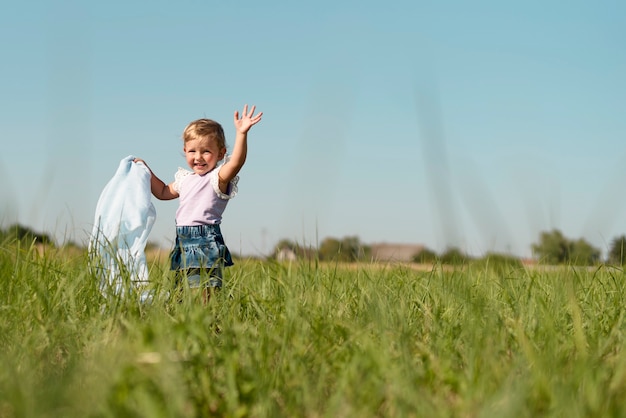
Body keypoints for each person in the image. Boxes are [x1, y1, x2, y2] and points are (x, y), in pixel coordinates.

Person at [134, 104, 263, 302]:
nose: (198, 157)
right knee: (181, 291)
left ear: (220, 154)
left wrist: (241, 134)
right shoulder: (185, 179)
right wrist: (145, 169)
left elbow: (236, 162)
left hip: (205, 238)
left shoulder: (217, 178)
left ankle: (211, 325)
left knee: (206, 291)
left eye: (206, 152)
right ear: (185, 151)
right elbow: (161, 192)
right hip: (183, 239)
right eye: (192, 151)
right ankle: (185, 324)